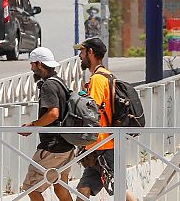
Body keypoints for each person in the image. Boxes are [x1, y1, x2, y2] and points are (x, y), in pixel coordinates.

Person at [74, 37, 136, 201]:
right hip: (98, 145)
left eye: (81, 51)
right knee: (83, 189)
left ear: (90, 52)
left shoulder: (98, 79)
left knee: (120, 189)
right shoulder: (108, 76)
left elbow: (90, 110)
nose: (80, 56)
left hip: (104, 145)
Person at [19, 47, 75, 201]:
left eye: (32, 64)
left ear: (39, 64)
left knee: (31, 188)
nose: (31, 67)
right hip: (67, 146)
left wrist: (33, 125)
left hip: (53, 147)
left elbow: (53, 114)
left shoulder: (48, 86)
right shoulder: (60, 83)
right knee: (60, 186)